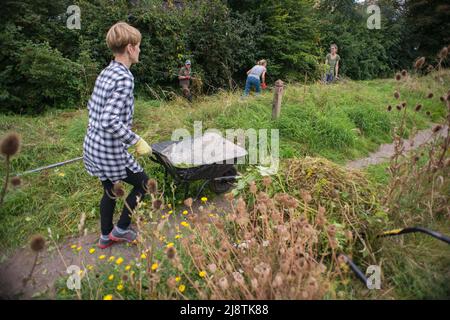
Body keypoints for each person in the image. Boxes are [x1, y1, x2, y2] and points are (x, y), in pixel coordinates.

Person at [83, 22, 152, 249]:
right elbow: (109, 119)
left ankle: (105, 236)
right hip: (109, 150)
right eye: (139, 46)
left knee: (111, 190)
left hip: (94, 145)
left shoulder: (107, 71)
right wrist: (136, 140)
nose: (140, 51)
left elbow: (94, 109)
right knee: (144, 183)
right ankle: (121, 229)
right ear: (131, 48)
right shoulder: (124, 77)